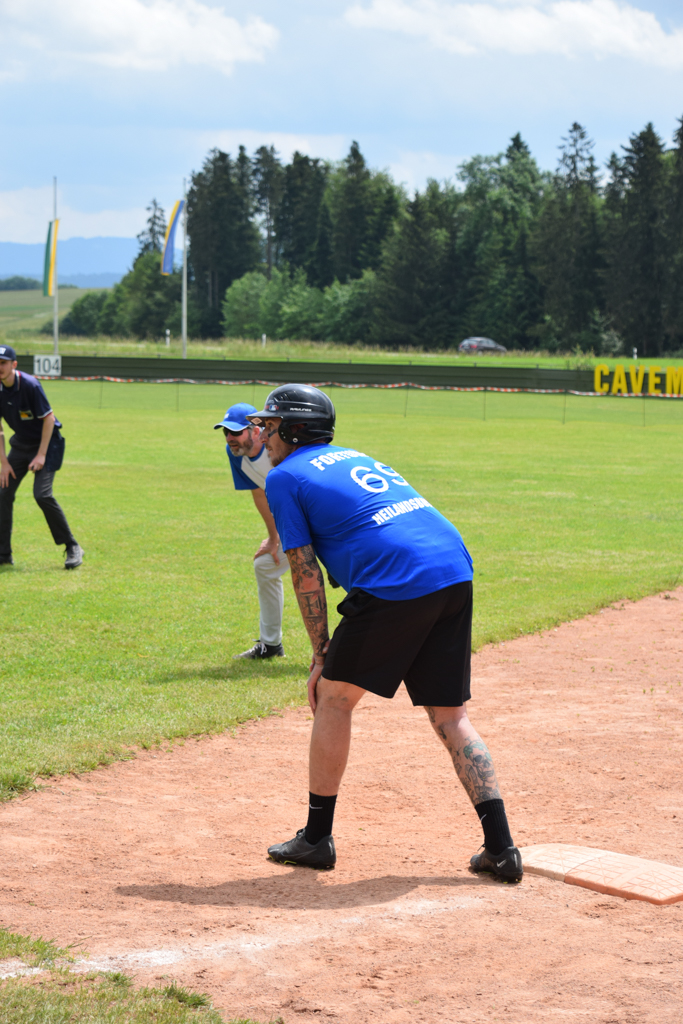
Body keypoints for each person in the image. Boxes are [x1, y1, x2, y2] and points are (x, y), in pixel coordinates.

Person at [247, 384, 522, 881]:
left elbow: (305, 572)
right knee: (451, 715)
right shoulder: (353, 455)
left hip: (397, 579)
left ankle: (316, 839)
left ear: (295, 429)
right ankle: (501, 849)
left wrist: (320, 654)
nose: (263, 436)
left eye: (271, 426)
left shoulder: (284, 477)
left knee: (333, 697)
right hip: (453, 569)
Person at [214, 401, 288, 659]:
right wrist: (273, 537)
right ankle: (271, 645)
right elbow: (259, 492)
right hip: (292, 522)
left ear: (256, 431)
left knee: (348, 575)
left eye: (235, 432)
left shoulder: (278, 448)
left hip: (319, 518)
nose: (230, 438)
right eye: (226, 432)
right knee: (265, 565)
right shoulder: (235, 453)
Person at [0, 345, 82, 569]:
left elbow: (49, 419)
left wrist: (41, 455)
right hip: (20, 445)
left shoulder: (30, 385)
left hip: (47, 443)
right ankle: (3, 553)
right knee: (3, 493)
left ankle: (72, 546)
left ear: (14, 364)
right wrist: (4, 463)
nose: (0, 368)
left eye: (3, 363)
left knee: (42, 495)